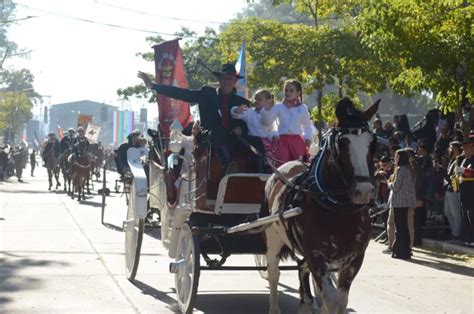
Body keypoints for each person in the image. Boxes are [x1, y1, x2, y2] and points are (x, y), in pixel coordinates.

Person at [138, 63, 252, 173]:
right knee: (219, 132)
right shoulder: (207, 94)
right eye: (224, 78)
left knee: (255, 140)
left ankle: (263, 172)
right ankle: (228, 167)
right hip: (210, 136)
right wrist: (152, 86)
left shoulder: (241, 102)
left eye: (230, 79)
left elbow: (247, 122)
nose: (227, 82)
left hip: (233, 137)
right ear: (219, 80)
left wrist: (239, 127)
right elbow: (181, 93)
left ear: (235, 81)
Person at [261, 79, 313, 164]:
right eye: (286, 90)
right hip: (282, 142)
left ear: (298, 93)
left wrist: (308, 138)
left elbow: (307, 125)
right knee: (282, 166)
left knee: (300, 167)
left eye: (291, 90)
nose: (287, 93)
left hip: (297, 143)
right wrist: (267, 109)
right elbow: (267, 122)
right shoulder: (278, 106)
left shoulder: (303, 108)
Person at [231, 89, 278, 172]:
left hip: (267, 142)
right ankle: (259, 170)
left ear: (267, 101)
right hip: (253, 142)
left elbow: (273, 128)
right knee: (257, 153)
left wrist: (274, 135)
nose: (256, 101)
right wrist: (236, 110)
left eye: (259, 99)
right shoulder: (250, 112)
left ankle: (270, 170)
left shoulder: (271, 114)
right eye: (255, 99)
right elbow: (237, 115)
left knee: (273, 153)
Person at [388, 149, 417, 259]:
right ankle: (405, 249)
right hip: (406, 202)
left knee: (399, 228)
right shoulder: (409, 170)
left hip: (399, 203)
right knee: (404, 227)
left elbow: (396, 187)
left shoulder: (400, 170)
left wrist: (389, 183)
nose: (395, 159)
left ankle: (399, 250)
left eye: (396, 157)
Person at [456, 132, 474, 246]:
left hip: (472, 191)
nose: (465, 150)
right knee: (465, 215)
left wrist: (463, 171)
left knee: (471, 215)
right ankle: (468, 238)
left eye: (467, 147)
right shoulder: (464, 159)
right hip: (464, 191)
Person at [444, 141, 464, 240]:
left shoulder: (460, 159)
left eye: (453, 148)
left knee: (456, 213)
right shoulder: (451, 160)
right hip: (448, 188)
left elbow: (457, 174)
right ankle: (454, 231)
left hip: (455, 188)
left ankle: (456, 234)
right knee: (447, 212)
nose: (450, 150)